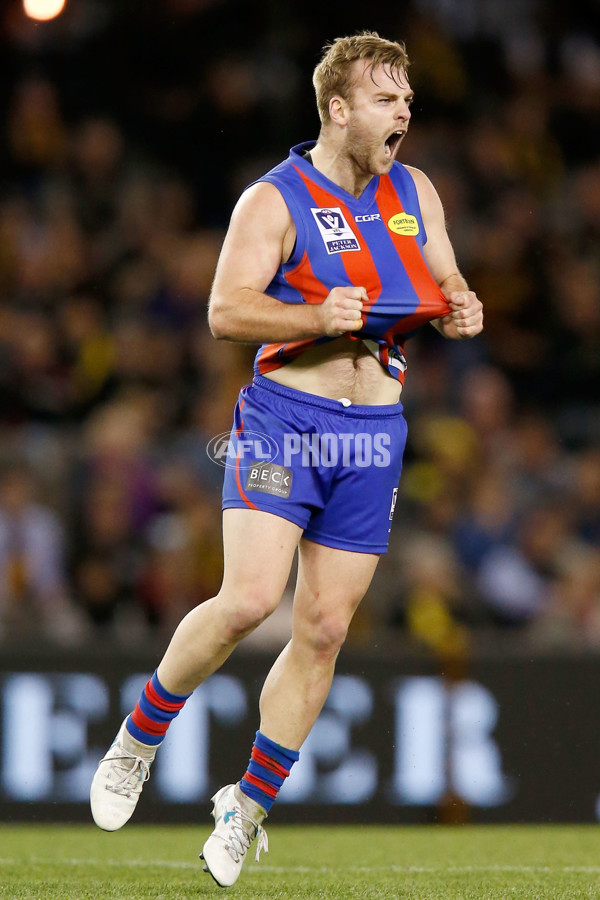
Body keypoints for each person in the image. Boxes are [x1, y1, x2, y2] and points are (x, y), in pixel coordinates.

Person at [90, 31, 483, 888]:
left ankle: (247, 805)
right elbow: (226, 311)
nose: (404, 112)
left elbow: (448, 283)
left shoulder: (414, 190)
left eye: (407, 99)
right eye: (386, 98)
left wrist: (462, 308)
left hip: (372, 436)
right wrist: (316, 317)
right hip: (283, 422)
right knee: (248, 602)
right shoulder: (274, 201)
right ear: (338, 109)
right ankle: (139, 737)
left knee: (327, 628)